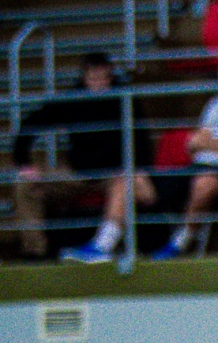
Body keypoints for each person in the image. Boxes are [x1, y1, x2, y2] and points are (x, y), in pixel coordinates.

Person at [63, 48, 218, 265]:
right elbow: (194, 144)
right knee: (128, 180)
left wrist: (213, 142)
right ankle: (102, 245)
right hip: (197, 166)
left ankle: (180, 243)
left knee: (206, 182)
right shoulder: (217, 103)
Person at [10, 52, 148, 260]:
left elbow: (141, 138)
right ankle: (36, 252)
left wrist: (137, 168)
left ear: (110, 76)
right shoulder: (73, 98)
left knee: (126, 184)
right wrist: (23, 162)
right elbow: (33, 122)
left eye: (104, 77)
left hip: (114, 174)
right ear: (85, 76)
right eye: (94, 77)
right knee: (26, 186)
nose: (99, 83)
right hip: (77, 172)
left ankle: (103, 247)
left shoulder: (125, 99)